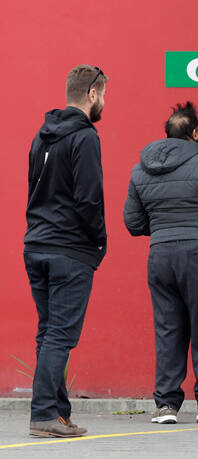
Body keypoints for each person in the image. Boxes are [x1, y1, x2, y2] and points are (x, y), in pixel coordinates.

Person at [123, 102, 198, 424]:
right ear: (194, 133)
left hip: (160, 255)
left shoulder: (140, 169)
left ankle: (166, 405)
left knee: (168, 328)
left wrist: (164, 227)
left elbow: (133, 223)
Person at [24, 65, 108, 438]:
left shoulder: (41, 137)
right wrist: (99, 241)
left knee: (48, 332)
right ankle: (44, 414)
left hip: (37, 244)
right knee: (59, 334)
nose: (104, 102)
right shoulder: (85, 137)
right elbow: (89, 198)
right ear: (92, 94)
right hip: (69, 248)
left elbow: (33, 191)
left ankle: (57, 414)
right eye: (103, 94)